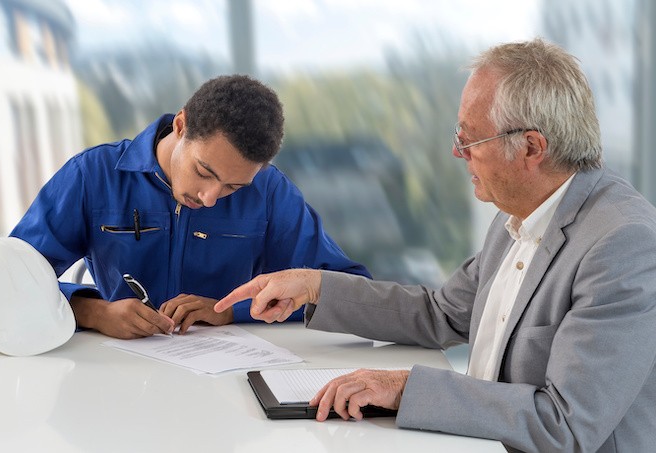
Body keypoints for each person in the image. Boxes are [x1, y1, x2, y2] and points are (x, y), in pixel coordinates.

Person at [215, 39, 656, 452]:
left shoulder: (622, 243)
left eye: (469, 139)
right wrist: (314, 286)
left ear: (531, 147)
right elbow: (440, 313)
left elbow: (566, 425)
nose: (457, 152)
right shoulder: (520, 210)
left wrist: (405, 388)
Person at [10, 74, 370, 340]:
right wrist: (92, 311)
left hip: (229, 384)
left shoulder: (270, 191)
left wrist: (233, 311)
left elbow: (350, 290)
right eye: (204, 171)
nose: (210, 197)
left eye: (234, 187)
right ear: (181, 126)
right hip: (116, 378)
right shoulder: (91, 175)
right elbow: (8, 279)